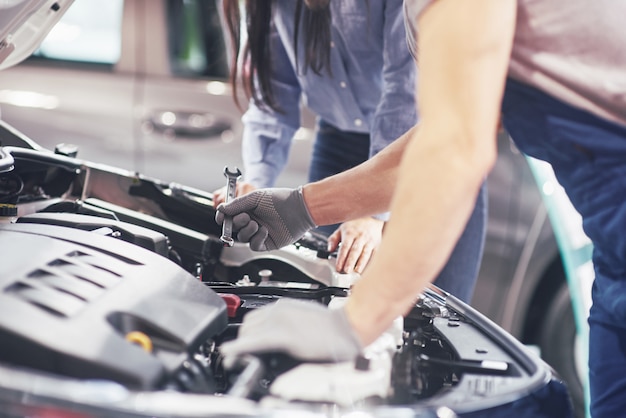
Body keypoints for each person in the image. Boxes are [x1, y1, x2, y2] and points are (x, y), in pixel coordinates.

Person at [217, 0, 626, 415]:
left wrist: (352, 325)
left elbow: (456, 148)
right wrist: (303, 208)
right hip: (613, 252)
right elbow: (437, 136)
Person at [214, 0, 486, 297]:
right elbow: (275, 95)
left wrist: (371, 211)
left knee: (436, 310)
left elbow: (404, 92)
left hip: (423, 150)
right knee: (333, 293)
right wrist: (256, 179)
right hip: (338, 146)